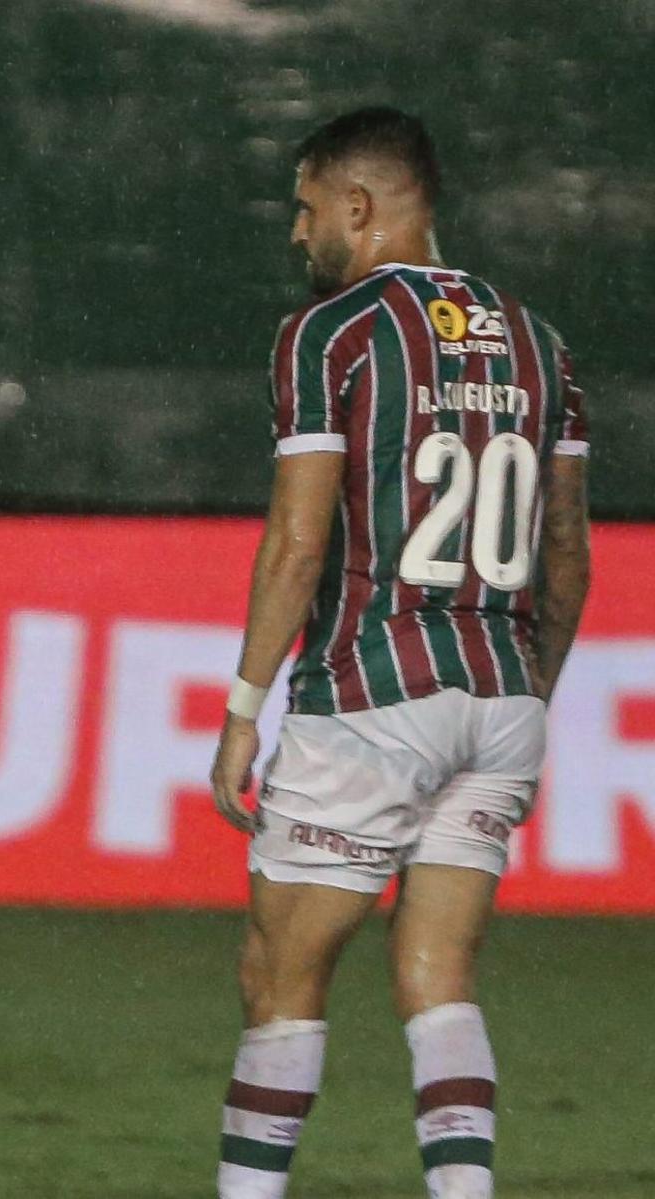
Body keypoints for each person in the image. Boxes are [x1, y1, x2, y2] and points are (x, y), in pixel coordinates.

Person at [208, 107, 590, 1199]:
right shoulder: (540, 339)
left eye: (307, 205)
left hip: (373, 695)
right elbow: (568, 554)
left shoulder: (328, 334)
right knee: (439, 976)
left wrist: (247, 705)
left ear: (360, 207)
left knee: (280, 973)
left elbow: (299, 538)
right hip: (504, 697)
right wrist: (526, 693)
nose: (299, 232)